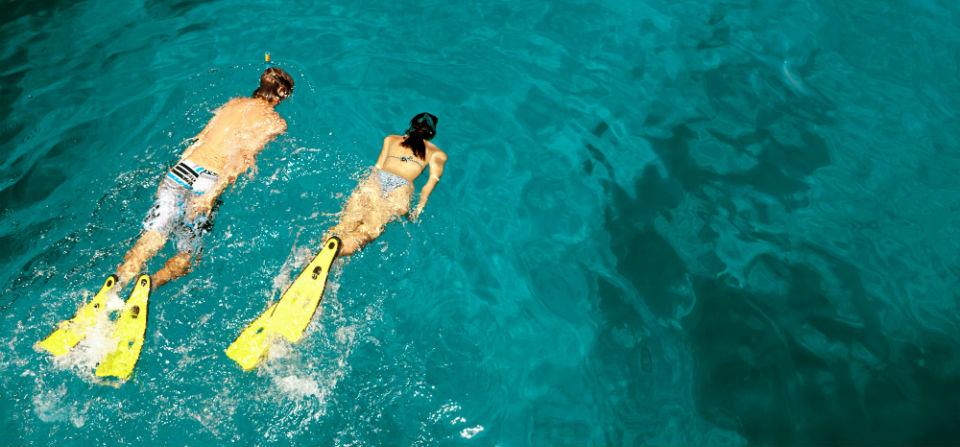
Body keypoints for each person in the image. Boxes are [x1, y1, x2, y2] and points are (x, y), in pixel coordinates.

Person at [115, 67, 294, 289]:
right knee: (188, 256)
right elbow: (242, 158)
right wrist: (211, 195)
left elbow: (200, 139)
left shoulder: (233, 104)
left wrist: (171, 172)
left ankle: (115, 286)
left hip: (180, 171)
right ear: (282, 93)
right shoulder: (274, 122)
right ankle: (149, 286)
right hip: (207, 182)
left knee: (153, 236)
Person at [328, 112, 448, 256]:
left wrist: (364, 187)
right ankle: (341, 251)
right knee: (367, 232)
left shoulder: (391, 139)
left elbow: (377, 167)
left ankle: (323, 250)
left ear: (412, 126)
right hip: (401, 188)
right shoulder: (438, 153)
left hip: (377, 179)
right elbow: (429, 185)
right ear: (432, 133)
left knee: (344, 225)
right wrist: (418, 209)